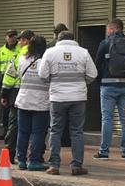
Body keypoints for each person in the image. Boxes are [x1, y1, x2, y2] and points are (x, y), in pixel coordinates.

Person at [39, 31, 97, 175]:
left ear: (58, 39)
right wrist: (81, 84)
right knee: (76, 132)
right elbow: (93, 74)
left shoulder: (50, 52)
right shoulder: (83, 52)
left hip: (57, 98)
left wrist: (53, 84)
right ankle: (77, 166)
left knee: (55, 130)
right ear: (73, 39)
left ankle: (54, 166)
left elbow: (42, 75)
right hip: (78, 98)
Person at [93, 18, 125, 161]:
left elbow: (97, 64)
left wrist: (100, 81)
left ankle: (104, 152)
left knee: (107, 118)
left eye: (108, 30)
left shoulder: (105, 43)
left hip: (107, 86)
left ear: (112, 29)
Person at [12, 35, 51, 170]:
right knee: (37, 133)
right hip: (40, 103)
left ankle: (21, 160)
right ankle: (34, 161)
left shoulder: (22, 59)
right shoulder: (45, 61)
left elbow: (18, 74)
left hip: (23, 100)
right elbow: (48, 78)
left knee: (23, 132)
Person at [0, 30, 20, 141]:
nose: (11, 38)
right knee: (5, 109)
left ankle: (13, 132)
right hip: (4, 82)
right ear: (6, 38)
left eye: (13, 36)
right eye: (9, 36)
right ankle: (6, 131)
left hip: (16, 83)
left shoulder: (20, 49)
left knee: (14, 109)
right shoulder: (1, 51)